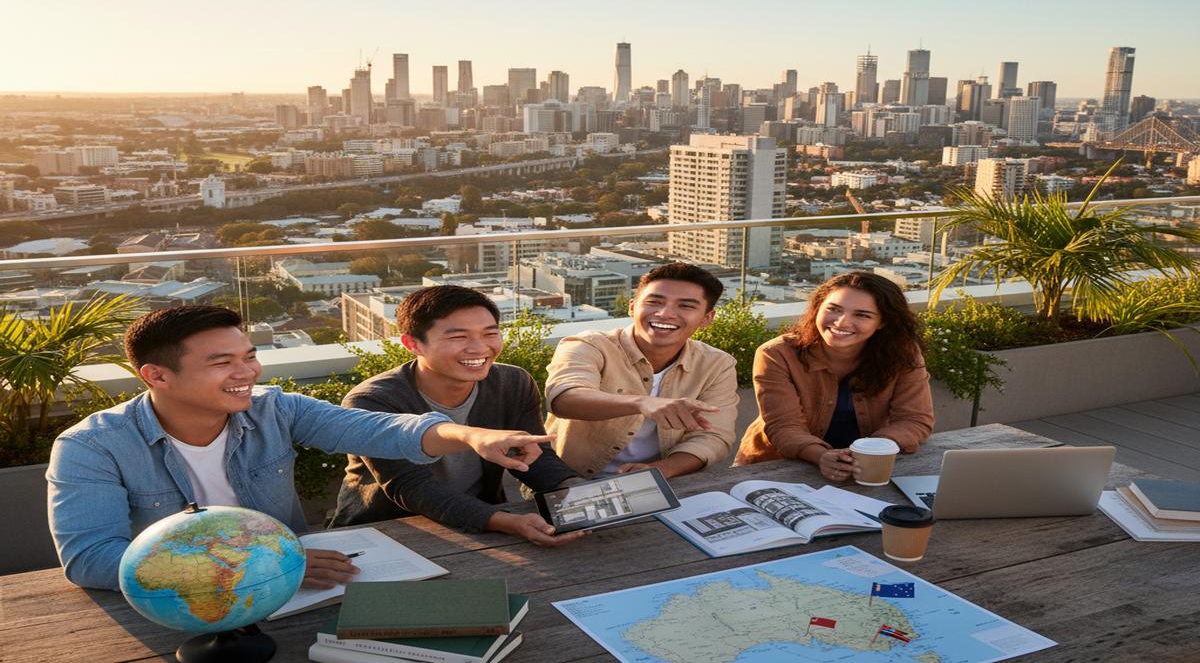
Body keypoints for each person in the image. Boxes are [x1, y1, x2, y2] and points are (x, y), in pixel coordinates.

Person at [46, 305, 553, 591]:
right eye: (223, 363)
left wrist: (470, 435)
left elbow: (382, 432)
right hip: (180, 602)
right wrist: (259, 566)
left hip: (299, 590)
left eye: (249, 357)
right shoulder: (92, 447)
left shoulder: (274, 408)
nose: (247, 374)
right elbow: (92, 558)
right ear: (156, 376)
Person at [330, 286, 587, 547]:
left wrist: (578, 489)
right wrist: (505, 522)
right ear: (413, 344)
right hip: (389, 531)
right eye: (458, 337)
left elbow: (532, 457)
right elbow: (411, 487)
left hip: (483, 521)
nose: (479, 348)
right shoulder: (373, 400)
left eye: (490, 333)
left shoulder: (512, 382)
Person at [544, 263, 739, 478]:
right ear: (632, 307)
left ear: (706, 318)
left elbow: (714, 436)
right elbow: (564, 399)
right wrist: (643, 403)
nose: (665, 314)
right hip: (570, 481)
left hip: (662, 480)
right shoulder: (588, 344)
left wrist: (657, 471)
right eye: (654, 302)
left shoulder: (717, 364)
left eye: (686, 306)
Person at [735, 271, 934, 480]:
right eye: (833, 309)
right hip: (773, 468)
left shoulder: (902, 354)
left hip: (865, 469)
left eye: (862, 315)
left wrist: (870, 451)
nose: (841, 322)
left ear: (883, 322)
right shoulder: (777, 354)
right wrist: (822, 456)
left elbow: (915, 419)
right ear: (817, 308)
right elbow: (784, 426)